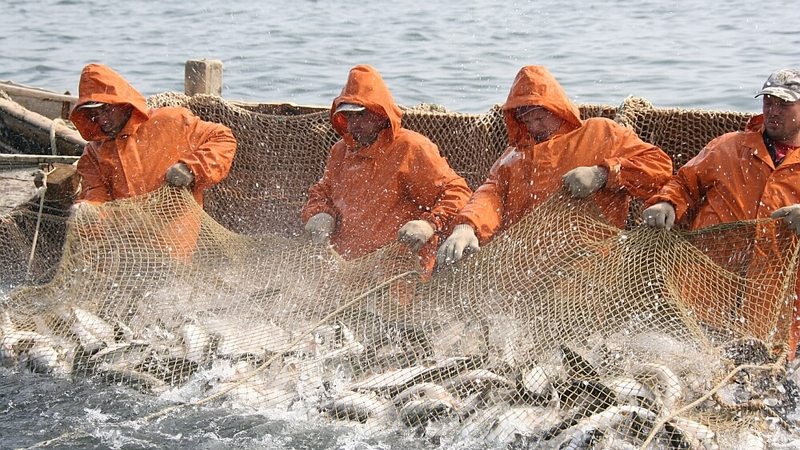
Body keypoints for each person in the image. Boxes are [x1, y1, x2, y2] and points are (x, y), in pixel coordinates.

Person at [437, 65, 673, 265]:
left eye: (540, 118)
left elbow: (659, 167)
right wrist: (466, 227)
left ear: (558, 110)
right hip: (521, 270)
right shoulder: (512, 157)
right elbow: (490, 195)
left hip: (590, 267)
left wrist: (602, 174)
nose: (534, 127)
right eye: (527, 121)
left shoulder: (602, 132)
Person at [642, 68, 800, 358]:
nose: (773, 111)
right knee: (683, 363)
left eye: (784, 104)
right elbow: (684, 184)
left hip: (773, 308)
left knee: (761, 373)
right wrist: (666, 203)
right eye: (768, 102)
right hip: (704, 295)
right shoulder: (727, 147)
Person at [301, 64, 472, 279]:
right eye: (348, 116)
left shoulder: (410, 148)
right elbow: (322, 191)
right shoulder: (340, 151)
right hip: (341, 270)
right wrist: (319, 213)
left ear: (380, 113)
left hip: (399, 269)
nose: (354, 123)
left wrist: (429, 224)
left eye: (360, 115)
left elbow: (457, 192)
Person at [70, 63, 238, 260]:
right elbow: (96, 196)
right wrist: (88, 212)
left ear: (123, 103)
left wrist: (191, 168)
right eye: (94, 115)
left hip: (174, 246)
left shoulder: (171, 121)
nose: (102, 121)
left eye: (106, 110)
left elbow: (223, 138)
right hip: (125, 248)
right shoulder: (92, 154)